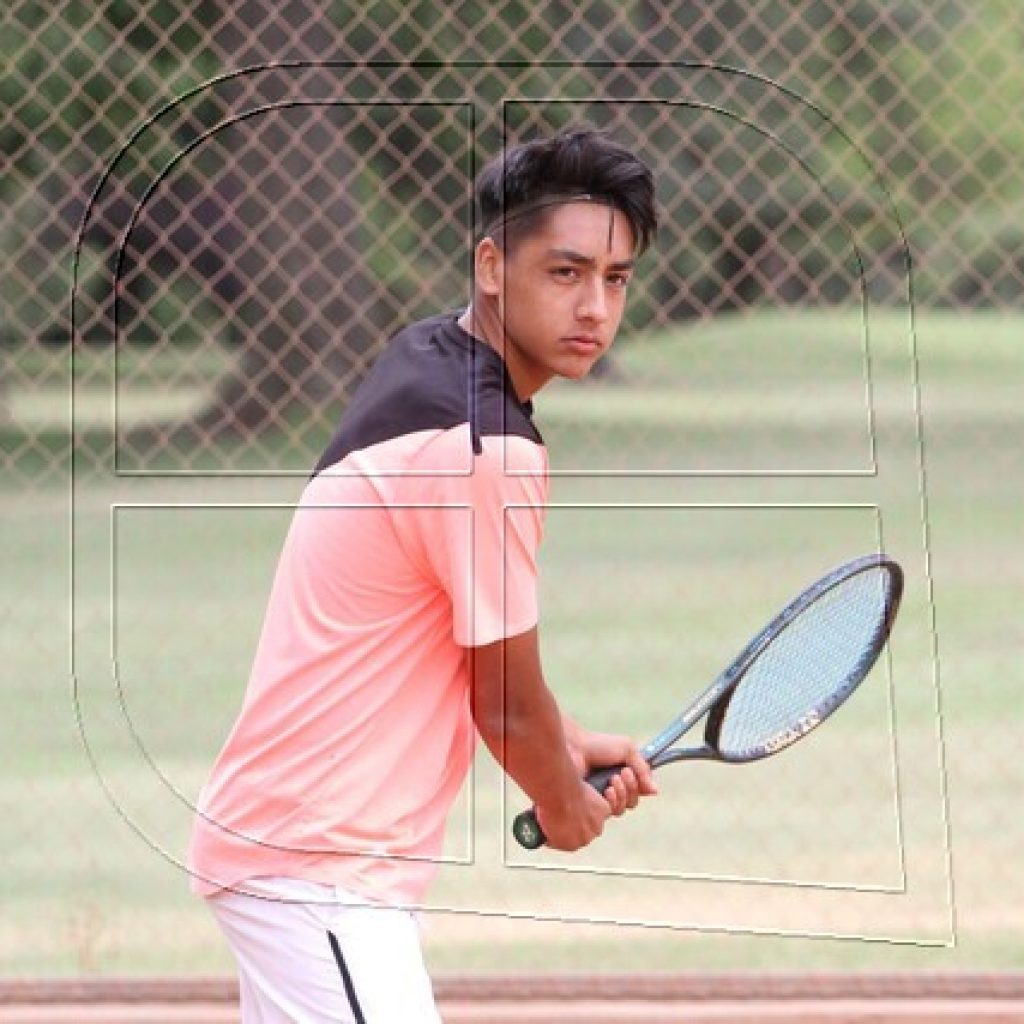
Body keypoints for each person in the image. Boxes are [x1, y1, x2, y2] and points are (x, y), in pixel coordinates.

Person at [188, 127, 659, 1023]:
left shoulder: (431, 361)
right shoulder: (485, 447)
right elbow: (504, 704)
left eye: (616, 279)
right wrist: (563, 805)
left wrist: (562, 747)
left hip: (295, 855)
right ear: (492, 265)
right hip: (319, 872)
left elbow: (484, 665)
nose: (595, 307)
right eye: (565, 273)